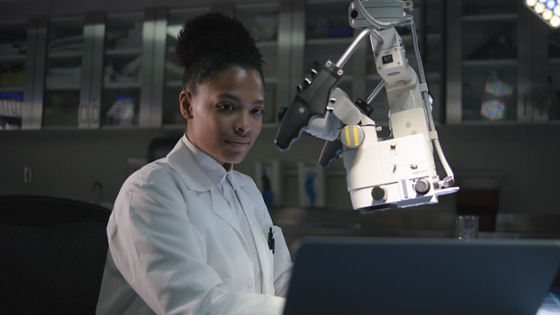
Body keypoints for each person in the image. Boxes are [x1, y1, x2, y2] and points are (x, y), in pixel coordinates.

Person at [95, 13, 292, 315]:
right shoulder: (148, 194)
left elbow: (279, 278)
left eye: (256, 111)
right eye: (226, 107)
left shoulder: (246, 189)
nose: (245, 125)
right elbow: (198, 307)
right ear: (188, 104)